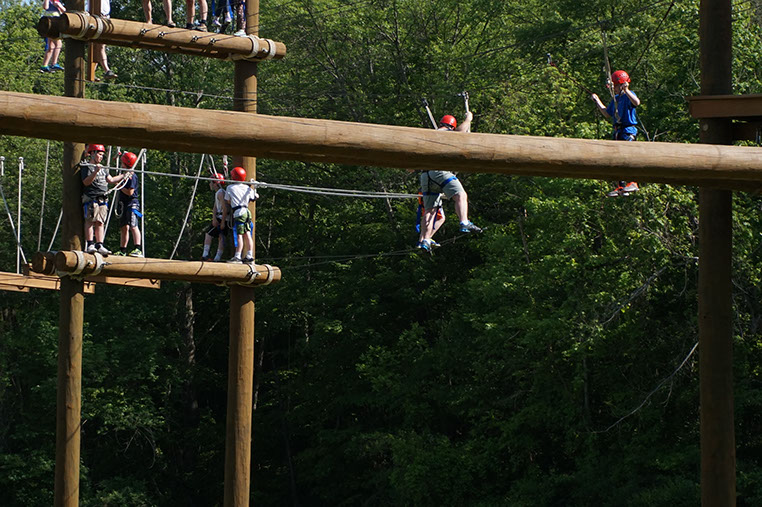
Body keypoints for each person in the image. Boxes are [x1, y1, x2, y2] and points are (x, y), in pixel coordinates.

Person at [417, 112, 482, 252]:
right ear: (451, 127)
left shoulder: (429, 138)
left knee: (430, 210)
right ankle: (464, 221)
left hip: (425, 175)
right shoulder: (444, 133)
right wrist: (468, 119)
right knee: (461, 195)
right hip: (439, 171)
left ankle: (425, 239)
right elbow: (460, 132)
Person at [591, 70, 641, 197]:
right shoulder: (616, 99)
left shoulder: (628, 96)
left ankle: (633, 182)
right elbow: (607, 113)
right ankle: (621, 185)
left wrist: (626, 90)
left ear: (621, 85)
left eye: (615, 86)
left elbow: (636, 102)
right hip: (618, 131)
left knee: (628, 156)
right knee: (617, 159)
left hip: (628, 130)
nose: (613, 89)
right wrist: (597, 101)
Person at [80, 144, 130, 255]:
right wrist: (95, 172)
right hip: (91, 197)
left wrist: (124, 175)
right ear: (92, 154)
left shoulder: (103, 168)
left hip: (102, 199)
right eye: (99, 154)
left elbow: (111, 180)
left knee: (100, 222)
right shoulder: (87, 166)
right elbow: (86, 182)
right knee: (90, 221)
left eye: (102, 155)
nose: (101, 157)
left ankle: (100, 244)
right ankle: (90, 243)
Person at [222, 166, 258, 263]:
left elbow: (227, 200)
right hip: (247, 212)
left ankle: (237, 256)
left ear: (233, 177)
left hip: (238, 212)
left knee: (239, 235)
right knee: (247, 234)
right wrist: (254, 187)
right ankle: (249, 255)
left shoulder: (230, 187)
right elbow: (254, 197)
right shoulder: (247, 188)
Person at [114, 151, 143, 257]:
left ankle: (137, 248)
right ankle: (123, 250)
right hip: (124, 203)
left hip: (132, 203)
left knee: (133, 225)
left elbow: (130, 192)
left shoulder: (132, 176)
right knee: (124, 227)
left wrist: (119, 186)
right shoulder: (125, 175)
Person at [201, 172, 228, 261]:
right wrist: (214, 218)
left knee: (210, 234)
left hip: (222, 218)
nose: (210, 184)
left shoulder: (221, 193)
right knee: (221, 236)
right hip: (220, 217)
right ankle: (217, 257)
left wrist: (222, 222)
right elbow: (215, 207)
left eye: (211, 182)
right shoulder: (218, 193)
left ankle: (206, 254)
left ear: (215, 183)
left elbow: (225, 208)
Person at [88, 0, 117, 80]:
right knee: (98, 46)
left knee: (99, 46)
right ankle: (105, 70)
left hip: (105, 17)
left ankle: (92, 72)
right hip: (95, 18)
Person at [40, 0, 66, 73]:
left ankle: (44, 65)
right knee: (58, 44)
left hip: (54, 24)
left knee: (51, 46)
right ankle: (54, 63)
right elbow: (45, 7)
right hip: (51, 25)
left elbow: (64, 11)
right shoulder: (48, 1)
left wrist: (58, 6)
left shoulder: (57, 2)